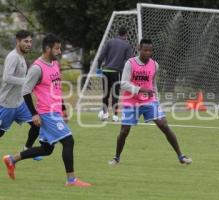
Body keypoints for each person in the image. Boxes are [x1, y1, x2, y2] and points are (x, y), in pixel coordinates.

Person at [2, 34, 91, 187]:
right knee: (69, 141)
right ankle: (71, 180)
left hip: (55, 111)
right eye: (57, 48)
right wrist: (34, 114)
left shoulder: (55, 63)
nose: (59, 50)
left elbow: (56, 88)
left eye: (60, 47)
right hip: (46, 113)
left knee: (46, 149)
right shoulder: (37, 68)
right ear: (48, 48)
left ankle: (12, 159)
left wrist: (62, 108)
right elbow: (25, 91)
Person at [108, 39, 192, 165]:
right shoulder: (130, 63)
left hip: (149, 101)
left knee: (164, 125)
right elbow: (123, 84)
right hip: (131, 101)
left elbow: (153, 85)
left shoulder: (154, 65)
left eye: (150, 50)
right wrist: (140, 89)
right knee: (124, 131)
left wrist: (156, 100)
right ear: (139, 49)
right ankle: (116, 158)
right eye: (145, 50)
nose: (148, 53)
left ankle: (181, 156)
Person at [0, 30, 42, 161]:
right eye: (26, 41)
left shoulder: (21, 57)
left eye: (30, 41)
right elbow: (7, 78)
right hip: (7, 105)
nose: (29, 44)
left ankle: (27, 149)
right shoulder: (13, 57)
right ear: (18, 41)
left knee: (37, 124)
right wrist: (27, 81)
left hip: (19, 103)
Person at [97, 27, 133, 122]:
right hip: (116, 72)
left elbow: (101, 57)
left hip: (105, 71)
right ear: (126, 34)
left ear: (118, 33)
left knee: (105, 93)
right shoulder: (127, 45)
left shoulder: (109, 42)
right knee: (115, 94)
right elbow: (129, 61)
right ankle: (115, 116)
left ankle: (104, 114)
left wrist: (98, 68)